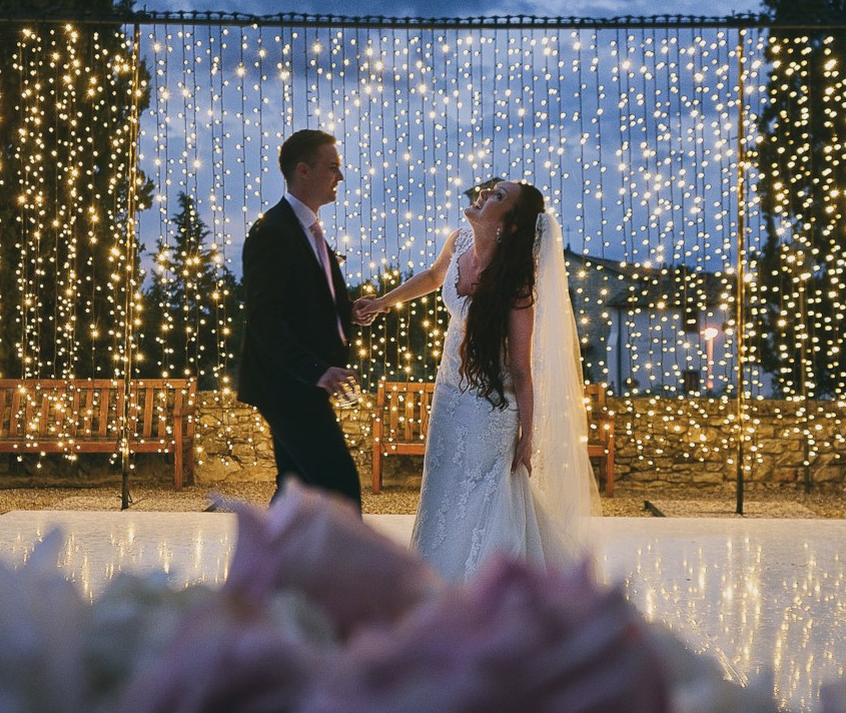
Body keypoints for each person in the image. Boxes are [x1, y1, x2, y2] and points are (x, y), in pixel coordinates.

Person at [354, 181, 600, 581]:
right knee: (442, 489)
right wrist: (382, 303)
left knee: (484, 497)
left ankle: (488, 586)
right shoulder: (457, 242)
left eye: (498, 197)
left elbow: (521, 367)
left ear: (510, 226)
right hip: (450, 393)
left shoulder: (516, 286)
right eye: (489, 191)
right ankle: (432, 578)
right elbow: (434, 276)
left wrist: (527, 434)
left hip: (493, 406)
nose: (484, 195)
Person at [238, 129, 362, 509]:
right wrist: (316, 370)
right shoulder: (273, 233)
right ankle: (348, 570)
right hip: (287, 385)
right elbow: (264, 319)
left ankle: (264, 565)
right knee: (340, 488)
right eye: (332, 167)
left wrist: (349, 312)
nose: (340, 176)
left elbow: (305, 301)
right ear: (303, 170)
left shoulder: (308, 230)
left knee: (296, 492)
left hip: (300, 384)